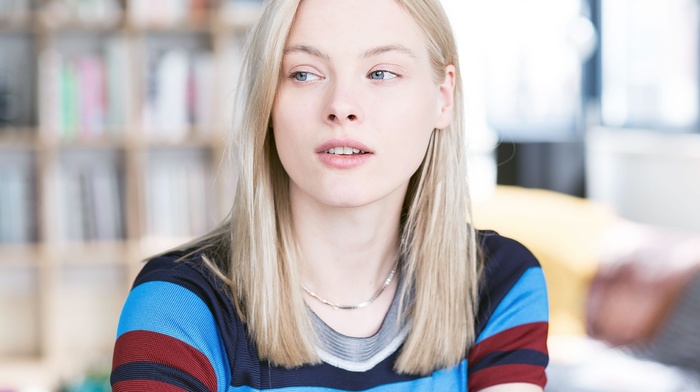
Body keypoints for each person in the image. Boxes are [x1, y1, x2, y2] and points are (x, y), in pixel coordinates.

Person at [110, 0, 549, 390]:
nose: (342, 105)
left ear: (443, 96)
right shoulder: (176, 302)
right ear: (267, 103)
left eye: (381, 73)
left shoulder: (500, 282)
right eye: (304, 74)